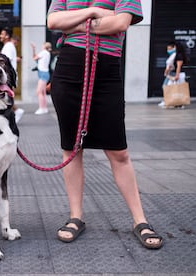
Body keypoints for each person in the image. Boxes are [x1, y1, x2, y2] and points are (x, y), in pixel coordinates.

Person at [47, 0, 163, 249]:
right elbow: (54, 21)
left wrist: (74, 23)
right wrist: (92, 12)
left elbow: (121, 23)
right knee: (71, 147)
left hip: (106, 70)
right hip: (68, 70)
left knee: (118, 151)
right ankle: (75, 216)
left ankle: (140, 220)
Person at [0, 27, 24, 123]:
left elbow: (6, 61)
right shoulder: (8, 46)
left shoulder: (8, 46)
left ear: (7, 36)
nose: (0, 36)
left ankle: (16, 111)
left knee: (6, 96)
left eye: (2, 34)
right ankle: (12, 114)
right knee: (5, 96)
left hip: (8, 76)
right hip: (7, 76)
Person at [158, 41, 187, 108]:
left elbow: (178, 67)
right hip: (175, 73)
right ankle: (175, 102)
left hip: (178, 74)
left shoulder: (179, 56)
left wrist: (177, 75)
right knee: (173, 88)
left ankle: (179, 102)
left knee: (176, 89)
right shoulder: (176, 55)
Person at [31, 41, 52, 115]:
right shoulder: (47, 53)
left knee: (39, 92)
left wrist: (33, 49)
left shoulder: (43, 52)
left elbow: (34, 58)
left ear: (44, 46)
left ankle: (41, 108)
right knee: (43, 92)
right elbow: (36, 59)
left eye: (42, 45)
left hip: (43, 74)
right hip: (45, 73)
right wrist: (34, 49)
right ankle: (44, 108)